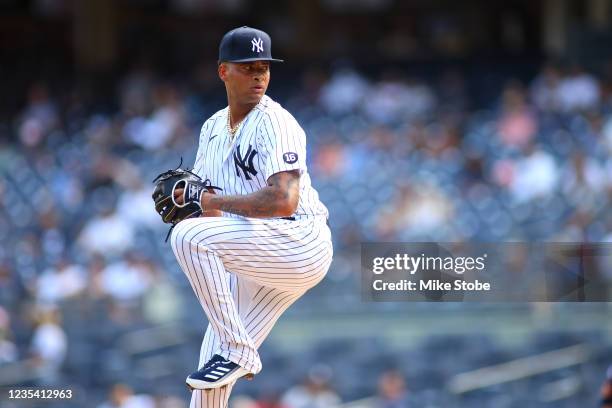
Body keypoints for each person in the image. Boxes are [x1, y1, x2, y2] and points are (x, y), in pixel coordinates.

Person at [169, 26, 333, 408]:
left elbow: (283, 201)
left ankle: (239, 350)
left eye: (265, 67)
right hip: (259, 258)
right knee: (209, 379)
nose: (259, 74)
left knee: (188, 238)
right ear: (224, 71)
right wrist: (186, 200)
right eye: (248, 67)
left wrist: (210, 203)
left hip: (298, 242)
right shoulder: (211, 128)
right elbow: (206, 203)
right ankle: (233, 351)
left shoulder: (276, 122)